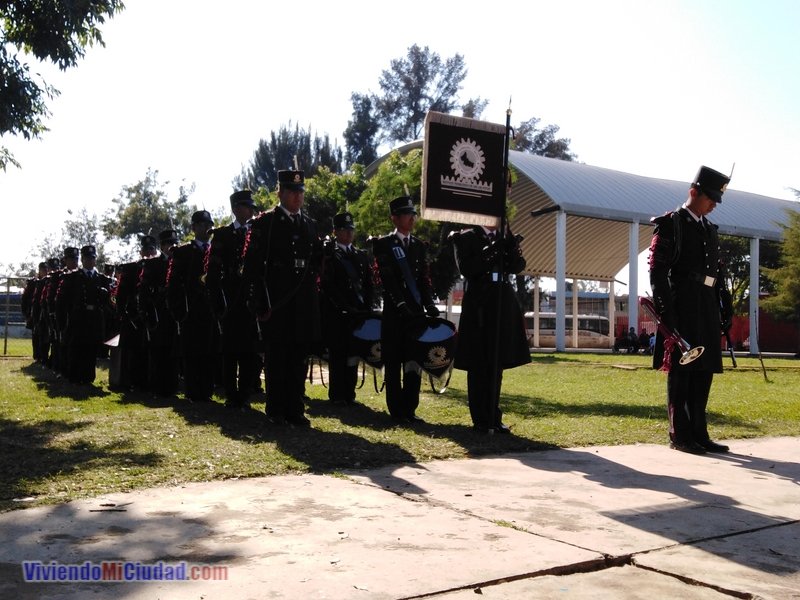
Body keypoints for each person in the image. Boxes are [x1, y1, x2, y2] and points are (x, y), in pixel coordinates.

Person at [648, 165, 734, 455]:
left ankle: (699, 432)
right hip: (682, 301)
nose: (712, 205)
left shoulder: (709, 229)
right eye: (709, 197)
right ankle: (680, 434)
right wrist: (666, 311)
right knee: (682, 372)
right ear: (693, 192)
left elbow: (716, 272)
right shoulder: (672, 223)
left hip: (706, 304)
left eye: (715, 200)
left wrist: (724, 304)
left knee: (704, 371)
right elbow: (658, 270)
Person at [241, 170, 323, 426]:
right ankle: (276, 409)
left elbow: (316, 262)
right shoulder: (266, 222)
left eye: (300, 192)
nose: (297, 197)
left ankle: (295, 408)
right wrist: (257, 302)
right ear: (280, 193)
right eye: (291, 191)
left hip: (302, 303)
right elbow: (252, 266)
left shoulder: (309, 224)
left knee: (299, 357)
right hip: (276, 302)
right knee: (277, 357)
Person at [451, 224, 531, 433]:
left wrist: (510, 247)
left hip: (501, 301)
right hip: (480, 303)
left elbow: (518, 265)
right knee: (479, 363)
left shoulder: (505, 235)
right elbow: (468, 268)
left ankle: (493, 415)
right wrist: (495, 249)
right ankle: (481, 418)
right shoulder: (466, 237)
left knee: (497, 362)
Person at [372, 195, 439, 424]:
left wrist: (429, 304)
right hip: (394, 313)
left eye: (413, 214)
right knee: (393, 362)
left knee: (413, 361)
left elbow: (423, 279)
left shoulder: (419, 246)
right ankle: (396, 409)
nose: (412, 218)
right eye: (407, 214)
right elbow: (386, 279)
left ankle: (410, 408)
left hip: (415, 314)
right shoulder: (383, 244)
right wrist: (400, 304)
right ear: (395, 218)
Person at [205, 190, 261, 410]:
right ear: (237, 209)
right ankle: (230, 393)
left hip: (251, 299)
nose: (249, 211)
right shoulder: (223, 235)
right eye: (246, 207)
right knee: (229, 351)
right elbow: (213, 272)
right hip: (229, 299)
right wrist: (217, 302)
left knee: (249, 350)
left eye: (250, 207)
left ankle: (245, 393)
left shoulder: (258, 232)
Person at [320, 211, 374, 405]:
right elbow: (327, 285)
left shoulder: (360, 255)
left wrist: (366, 307)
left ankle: (349, 393)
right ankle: (337, 394)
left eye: (351, 229)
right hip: (338, 314)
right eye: (344, 229)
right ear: (336, 231)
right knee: (338, 355)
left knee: (353, 355)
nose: (349, 233)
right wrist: (344, 306)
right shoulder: (330, 256)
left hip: (357, 315)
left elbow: (369, 284)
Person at [167, 210, 217, 403]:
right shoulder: (184, 252)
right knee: (192, 352)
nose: (206, 228)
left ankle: (207, 389)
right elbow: (173, 284)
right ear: (194, 228)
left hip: (212, 309)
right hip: (191, 309)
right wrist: (179, 310)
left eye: (208, 225)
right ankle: (193, 391)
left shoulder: (216, 249)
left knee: (210, 351)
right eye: (202, 225)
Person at [55, 245, 114, 384]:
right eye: (86, 258)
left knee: (91, 349)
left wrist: (106, 296)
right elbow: (61, 302)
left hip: (94, 319)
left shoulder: (101, 279)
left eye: (92, 258)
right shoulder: (73, 277)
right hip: (78, 319)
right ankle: (75, 376)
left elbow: (111, 302)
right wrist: (62, 322)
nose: (89, 261)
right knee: (77, 348)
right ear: (82, 259)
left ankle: (88, 377)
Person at [110, 235, 158, 391]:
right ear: (140, 251)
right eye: (146, 249)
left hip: (152, 314)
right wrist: (123, 313)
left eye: (151, 249)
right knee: (134, 351)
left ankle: (150, 381)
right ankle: (134, 382)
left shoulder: (160, 265)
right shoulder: (131, 268)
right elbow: (121, 294)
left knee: (152, 351)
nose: (148, 252)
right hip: (133, 316)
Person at [137, 229, 180, 397]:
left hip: (175, 313)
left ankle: (172, 387)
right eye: (168, 243)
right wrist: (145, 311)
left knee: (174, 352)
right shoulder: (153, 264)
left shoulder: (180, 260)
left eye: (174, 243)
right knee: (159, 352)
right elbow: (144, 290)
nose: (172, 247)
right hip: (158, 313)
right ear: (161, 246)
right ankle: (158, 387)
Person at [21, 262, 48, 362]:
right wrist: (26, 314)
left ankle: (44, 356)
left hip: (45, 312)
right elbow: (25, 299)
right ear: (39, 270)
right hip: (34, 313)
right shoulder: (33, 283)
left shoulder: (49, 281)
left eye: (46, 270)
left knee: (45, 336)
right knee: (36, 335)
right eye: (43, 270)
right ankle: (37, 355)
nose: (45, 272)